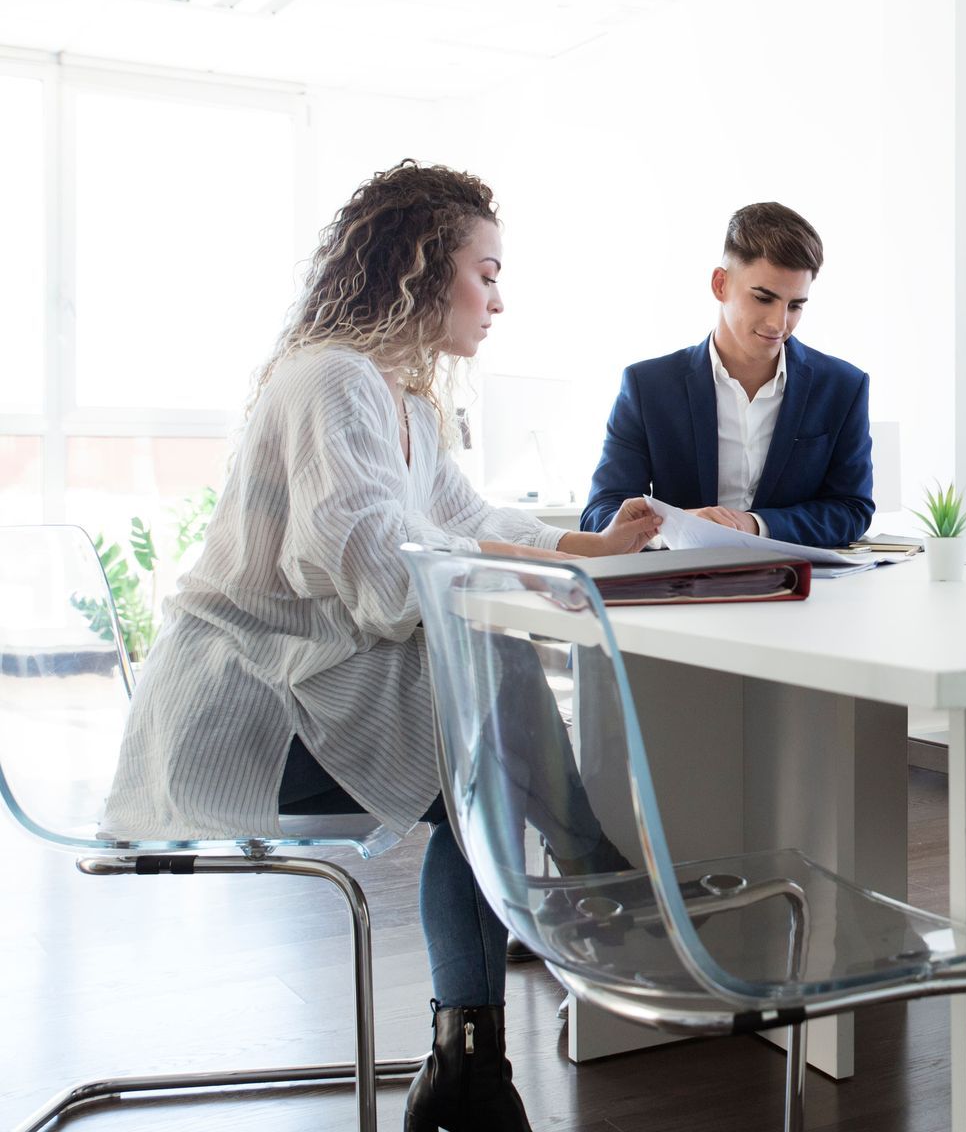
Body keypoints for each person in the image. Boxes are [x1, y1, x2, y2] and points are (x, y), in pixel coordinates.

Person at [104, 161, 657, 1131]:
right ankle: (585, 878)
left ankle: (478, 1051)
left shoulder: (399, 401)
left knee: (477, 754)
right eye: (485, 271)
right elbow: (378, 577)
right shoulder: (330, 381)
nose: (498, 297)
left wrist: (589, 548)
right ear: (417, 267)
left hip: (310, 694)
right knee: (477, 744)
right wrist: (499, 576)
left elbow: (470, 516)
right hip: (247, 716)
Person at [580, 202, 875, 549]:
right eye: (764, 299)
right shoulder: (648, 386)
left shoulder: (843, 386)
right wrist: (677, 525)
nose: (779, 324)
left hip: (801, 589)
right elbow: (601, 512)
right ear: (720, 285)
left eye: (795, 305)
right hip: (680, 589)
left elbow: (851, 509)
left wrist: (755, 525)